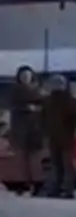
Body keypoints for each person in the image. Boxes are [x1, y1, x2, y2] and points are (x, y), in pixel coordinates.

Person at [41, 75, 76, 199]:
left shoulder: (48, 101)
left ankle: (56, 188)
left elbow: (41, 118)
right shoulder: (71, 100)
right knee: (66, 164)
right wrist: (70, 128)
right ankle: (67, 189)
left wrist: (46, 130)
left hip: (54, 137)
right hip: (66, 137)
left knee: (57, 165)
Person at [6, 66, 43, 195]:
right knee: (21, 157)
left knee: (34, 158)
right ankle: (22, 183)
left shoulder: (38, 89)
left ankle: (36, 183)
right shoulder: (15, 91)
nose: (26, 78)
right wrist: (26, 108)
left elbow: (43, 104)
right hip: (21, 128)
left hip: (35, 129)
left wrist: (36, 109)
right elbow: (12, 107)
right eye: (23, 76)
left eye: (28, 75)